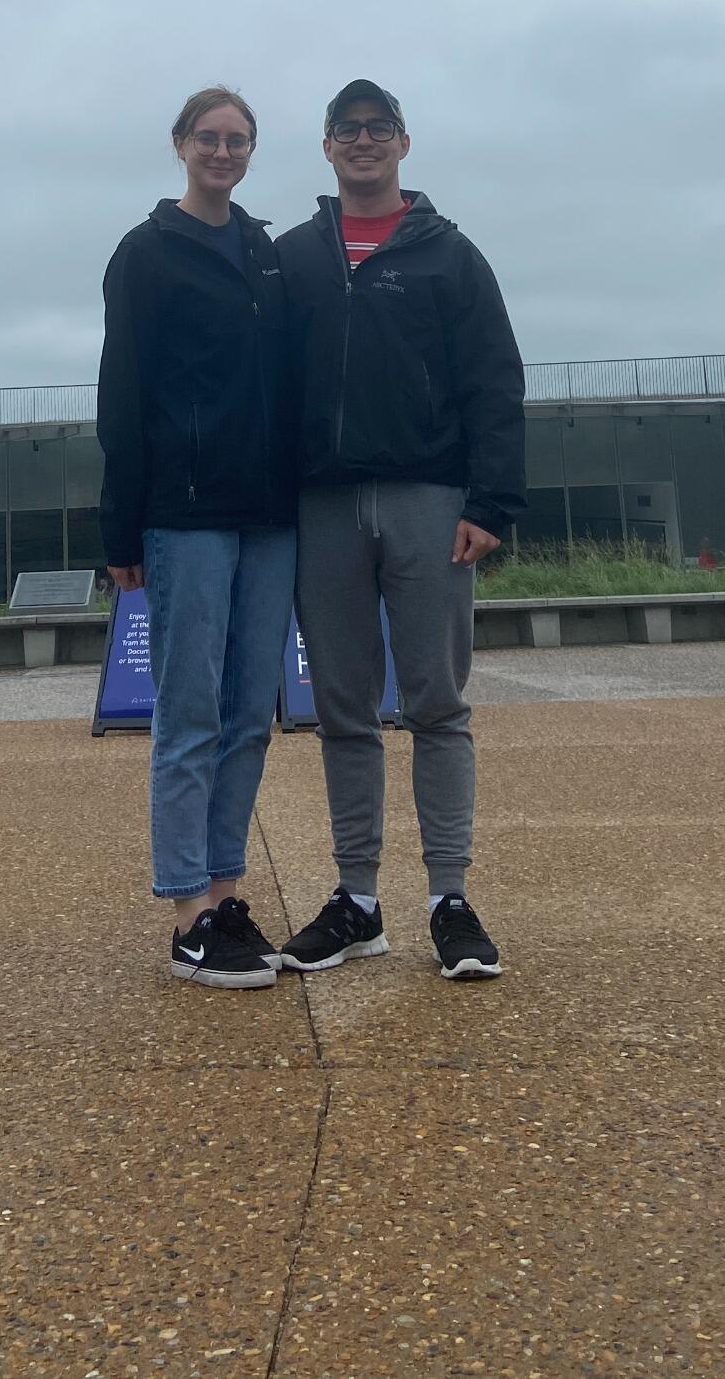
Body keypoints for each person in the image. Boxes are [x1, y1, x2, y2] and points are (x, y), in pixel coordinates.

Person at [273, 79, 525, 981]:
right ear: (328, 148)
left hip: (427, 498)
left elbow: (494, 380)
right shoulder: (295, 256)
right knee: (342, 709)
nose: (363, 142)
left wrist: (489, 503)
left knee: (436, 706)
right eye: (347, 131)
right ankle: (357, 901)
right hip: (322, 505)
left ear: (404, 144)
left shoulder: (449, 255)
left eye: (378, 129)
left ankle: (449, 900)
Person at [98, 88, 297, 990]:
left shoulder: (260, 251)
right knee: (190, 716)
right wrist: (121, 523)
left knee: (250, 712)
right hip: (184, 512)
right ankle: (186, 916)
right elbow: (122, 395)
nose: (223, 152)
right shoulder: (145, 254)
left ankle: (224, 893)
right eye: (208, 139)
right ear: (180, 144)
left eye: (238, 141)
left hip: (267, 512)